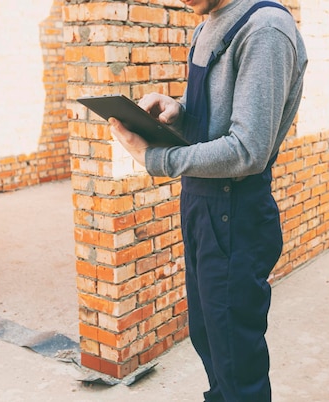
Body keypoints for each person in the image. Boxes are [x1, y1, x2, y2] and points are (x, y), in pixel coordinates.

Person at [110, 0, 307, 400]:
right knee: (208, 340)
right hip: (201, 207)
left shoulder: (266, 29)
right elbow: (214, 125)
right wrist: (178, 113)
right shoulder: (206, 27)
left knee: (237, 361)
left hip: (236, 213)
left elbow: (247, 150)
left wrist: (156, 158)